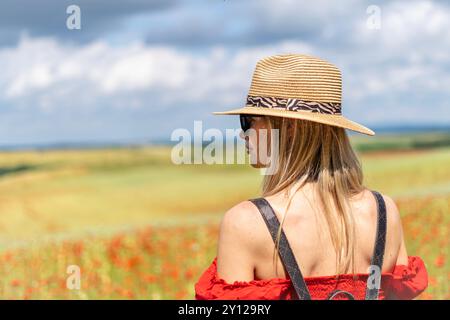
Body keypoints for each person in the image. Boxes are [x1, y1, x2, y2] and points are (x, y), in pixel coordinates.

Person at [194, 54, 428, 300]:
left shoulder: (246, 223)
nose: (243, 134)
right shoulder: (384, 212)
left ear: (290, 128)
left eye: (248, 121)